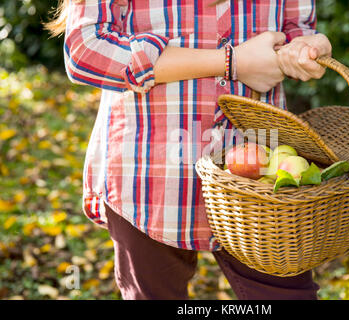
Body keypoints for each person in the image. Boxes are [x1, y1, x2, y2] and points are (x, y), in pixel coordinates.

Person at [46, 0, 332, 300]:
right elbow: (85, 50)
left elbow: (295, 28)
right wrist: (232, 62)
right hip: (148, 173)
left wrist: (307, 46)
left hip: (259, 174)